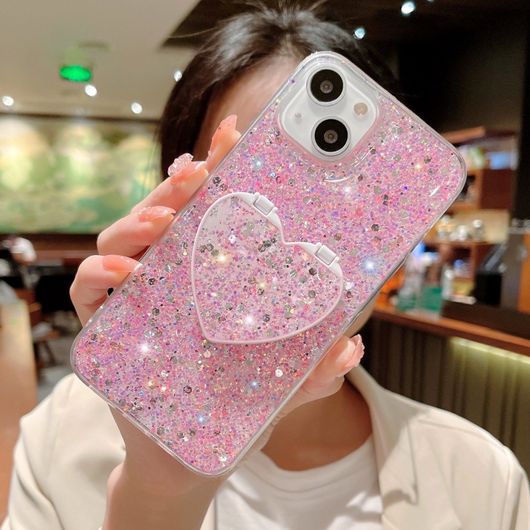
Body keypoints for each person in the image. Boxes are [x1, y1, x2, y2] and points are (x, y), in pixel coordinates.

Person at [2, 5, 528, 530]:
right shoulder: (61, 439)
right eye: (253, 176)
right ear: (176, 196)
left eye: (347, 202)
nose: (301, 235)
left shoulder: (481, 479)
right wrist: (155, 496)